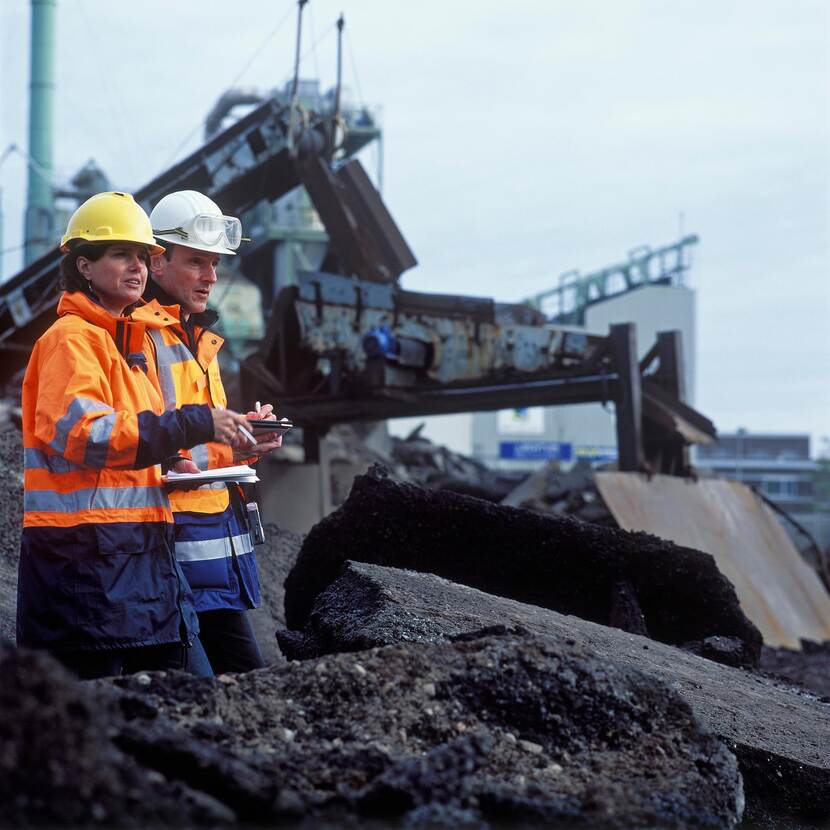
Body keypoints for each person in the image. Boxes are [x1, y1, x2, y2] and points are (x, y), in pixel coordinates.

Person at [17, 191, 254, 680]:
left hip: (134, 565)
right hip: (84, 570)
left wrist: (174, 462)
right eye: (121, 254)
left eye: (142, 256)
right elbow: (87, 434)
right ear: (84, 266)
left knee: (177, 712)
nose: (137, 268)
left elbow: (136, 445)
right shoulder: (71, 340)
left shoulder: (122, 344)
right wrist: (192, 424)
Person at [145, 190, 282, 674]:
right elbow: (138, 440)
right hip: (171, 555)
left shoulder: (199, 340)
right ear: (156, 262)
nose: (212, 276)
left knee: (253, 692)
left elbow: (199, 448)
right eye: (197, 262)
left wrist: (246, 441)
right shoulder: (136, 339)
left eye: (215, 263)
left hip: (215, 557)